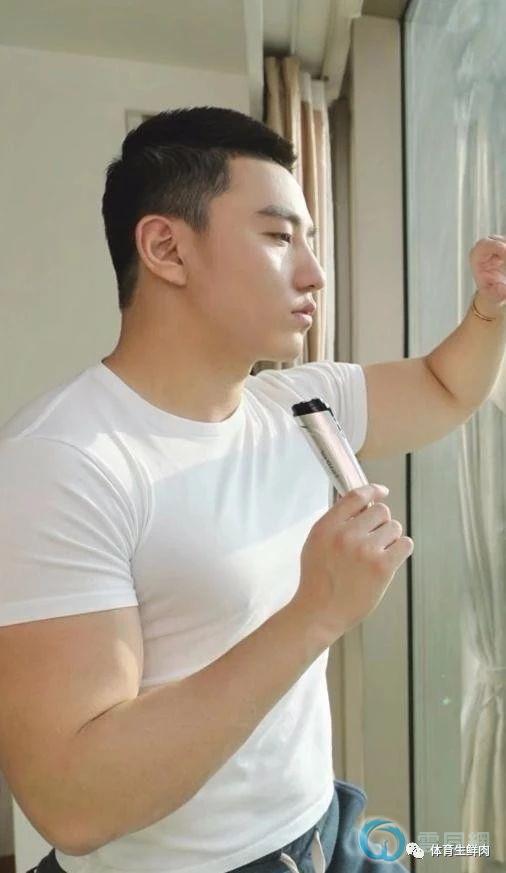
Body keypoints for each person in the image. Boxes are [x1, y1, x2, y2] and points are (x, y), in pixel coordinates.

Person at [2, 105, 503, 873]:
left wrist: (488, 310)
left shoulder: (297, 405)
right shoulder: (63, 462)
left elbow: (444, 385)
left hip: (325, 827)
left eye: (310, 239)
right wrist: (317, 611)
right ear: (166, 248)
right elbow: (75, 803)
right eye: (277, 237)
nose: (314, 272)